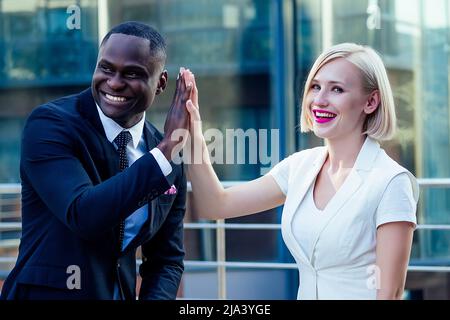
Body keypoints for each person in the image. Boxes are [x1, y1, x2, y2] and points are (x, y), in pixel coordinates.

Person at [182, 43, 419, 299]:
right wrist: (191, 130)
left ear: (371, 101)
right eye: (316, 86)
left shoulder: (391, 182)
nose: (319, 100)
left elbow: (390, 293)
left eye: (337, 89)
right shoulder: (300, 167)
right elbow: (216, 205)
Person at [0, 21, 194, 300]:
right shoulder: (49, 125)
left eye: (132, 73)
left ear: (161, 82)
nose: (114, 82)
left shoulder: (166, 153)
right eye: (106, 68)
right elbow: (84, 214)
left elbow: (167, 260)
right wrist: (164, 154)